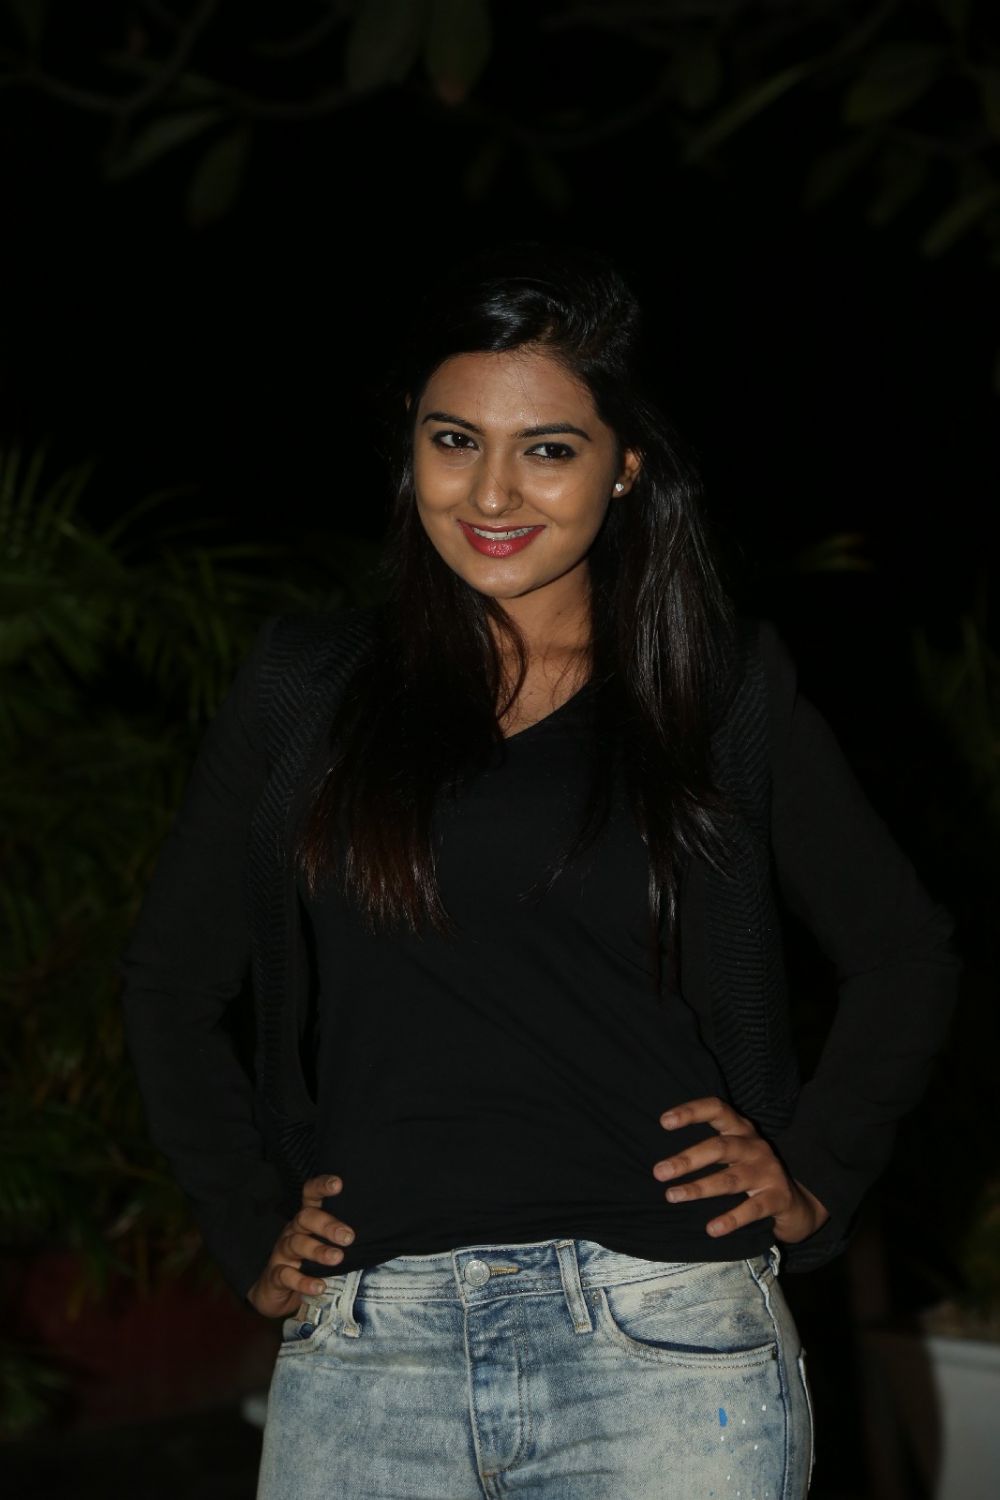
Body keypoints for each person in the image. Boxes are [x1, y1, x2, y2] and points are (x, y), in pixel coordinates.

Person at [121, 244, 958, 1499]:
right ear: (410, 450)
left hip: (664, 1340)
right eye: (454, 441)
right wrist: (246, 1224)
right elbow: (170, 982)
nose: (492, 491)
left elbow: (904, 954)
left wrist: (813, 1176)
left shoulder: (716, 692)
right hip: (371, 1346)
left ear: (624, 466)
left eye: (548, 449)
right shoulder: (308, 691)